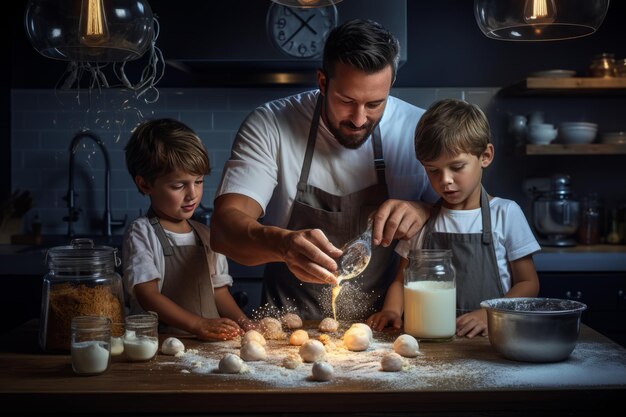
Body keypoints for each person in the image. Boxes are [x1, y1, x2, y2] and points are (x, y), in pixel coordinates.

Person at [210, 19, 439, 320]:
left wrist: (425, 210)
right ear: (322, 82)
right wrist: (282, 244)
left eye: (374, 104)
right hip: (286, 331)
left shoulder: (417, 128)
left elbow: (466, 210)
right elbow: (224, 230)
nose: (359, 119)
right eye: (346, 101)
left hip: (387, 329)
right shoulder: (270, 124)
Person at [366, 99, 541, 337]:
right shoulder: (422, 223)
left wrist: (491, 312)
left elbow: (528, 283)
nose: (445, 180)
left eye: (457, 167)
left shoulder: (506, 213)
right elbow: (401, 280)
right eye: (433, 170)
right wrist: (392, 311)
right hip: (430, 340)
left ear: (486, 156)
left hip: (490, 341)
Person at [122, 118, 255, 340]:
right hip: (160, 347)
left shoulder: (206, 235)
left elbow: (219, 291)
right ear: (145, 184)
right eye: (178, 185)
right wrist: (198, 324)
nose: (192, 194)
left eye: (199, 181)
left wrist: (246, 324)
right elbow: (148, 295)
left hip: (207, 347)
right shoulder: (141, 233)